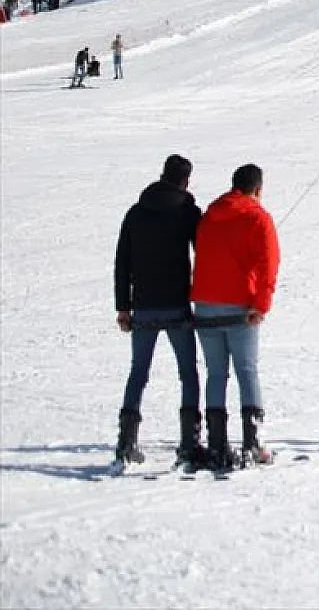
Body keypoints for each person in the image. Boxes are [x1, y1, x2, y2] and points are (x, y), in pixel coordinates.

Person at [113, 154, 208, 468]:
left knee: (138, 372)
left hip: (142, 306)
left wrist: (123, 307)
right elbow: (205, 255)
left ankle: (126, 443)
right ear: (186, 180)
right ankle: (189, 444)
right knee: (188, 374)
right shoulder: (187, 212)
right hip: (177, 304)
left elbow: (122, 263)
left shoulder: (136, 212)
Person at [192, 163, 281, 469]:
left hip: (204, 304)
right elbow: (269, 264)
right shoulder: (258, 217)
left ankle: (217, 444)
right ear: (258, 189)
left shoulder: (209, 217)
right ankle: (253, 443)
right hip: (239, 307)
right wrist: (261, 305)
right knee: (247, 371)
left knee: (216, 374)